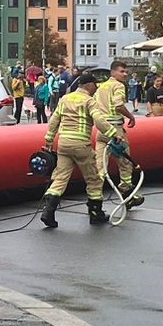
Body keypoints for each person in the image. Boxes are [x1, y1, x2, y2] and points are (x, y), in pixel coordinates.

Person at [40, 69, 106, 228]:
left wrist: (49, 139)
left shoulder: (65, 99)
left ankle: (48, 210)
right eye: (95, 85)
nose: (96, 88)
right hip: (81, 144)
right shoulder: (89, 101)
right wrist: (112, 133)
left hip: (63, 144)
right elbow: (98, 119)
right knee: (94, 179)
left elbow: (54, 119)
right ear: (89, 85)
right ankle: (95, 213)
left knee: (60, 178)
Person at [94, 59, 143, 206]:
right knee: (125, 162)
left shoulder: (101, 87)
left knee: (100, 166)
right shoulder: (118, 86)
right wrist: (131, 117)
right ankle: (127, 193)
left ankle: (94, 201)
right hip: (116, 130)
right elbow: (118, 105)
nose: (125, 74)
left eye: (126, 72)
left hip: (102, 129)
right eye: (122, 71)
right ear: (113, 72)